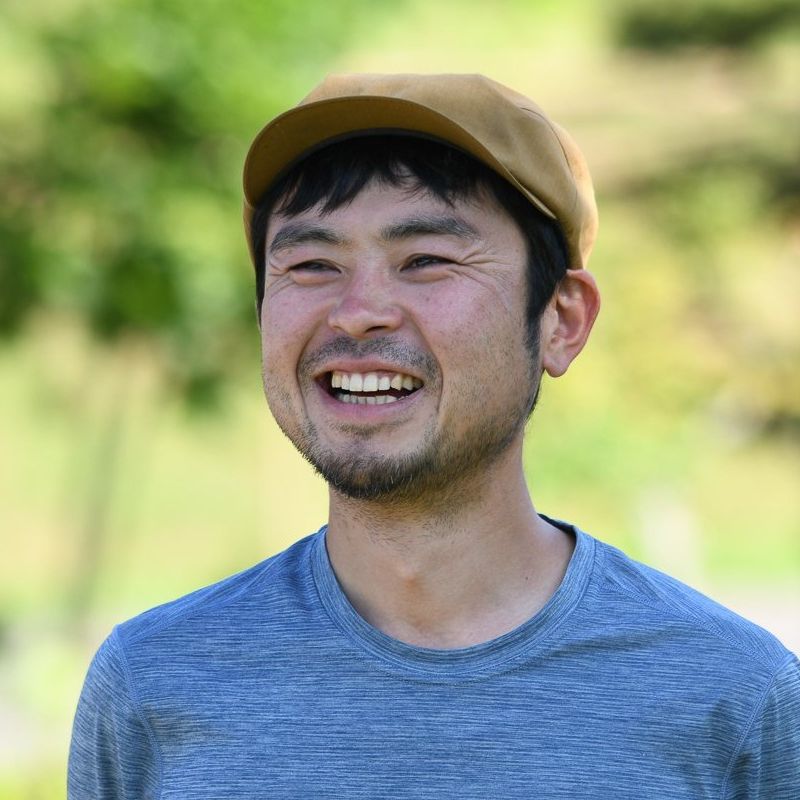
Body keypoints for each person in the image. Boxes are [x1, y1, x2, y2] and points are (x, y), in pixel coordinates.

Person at [68, 73, 799, 799]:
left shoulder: (733, 699)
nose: (357, 314)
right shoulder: (153, 685)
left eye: (426, 261)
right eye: (312, 265)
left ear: (562, 320)